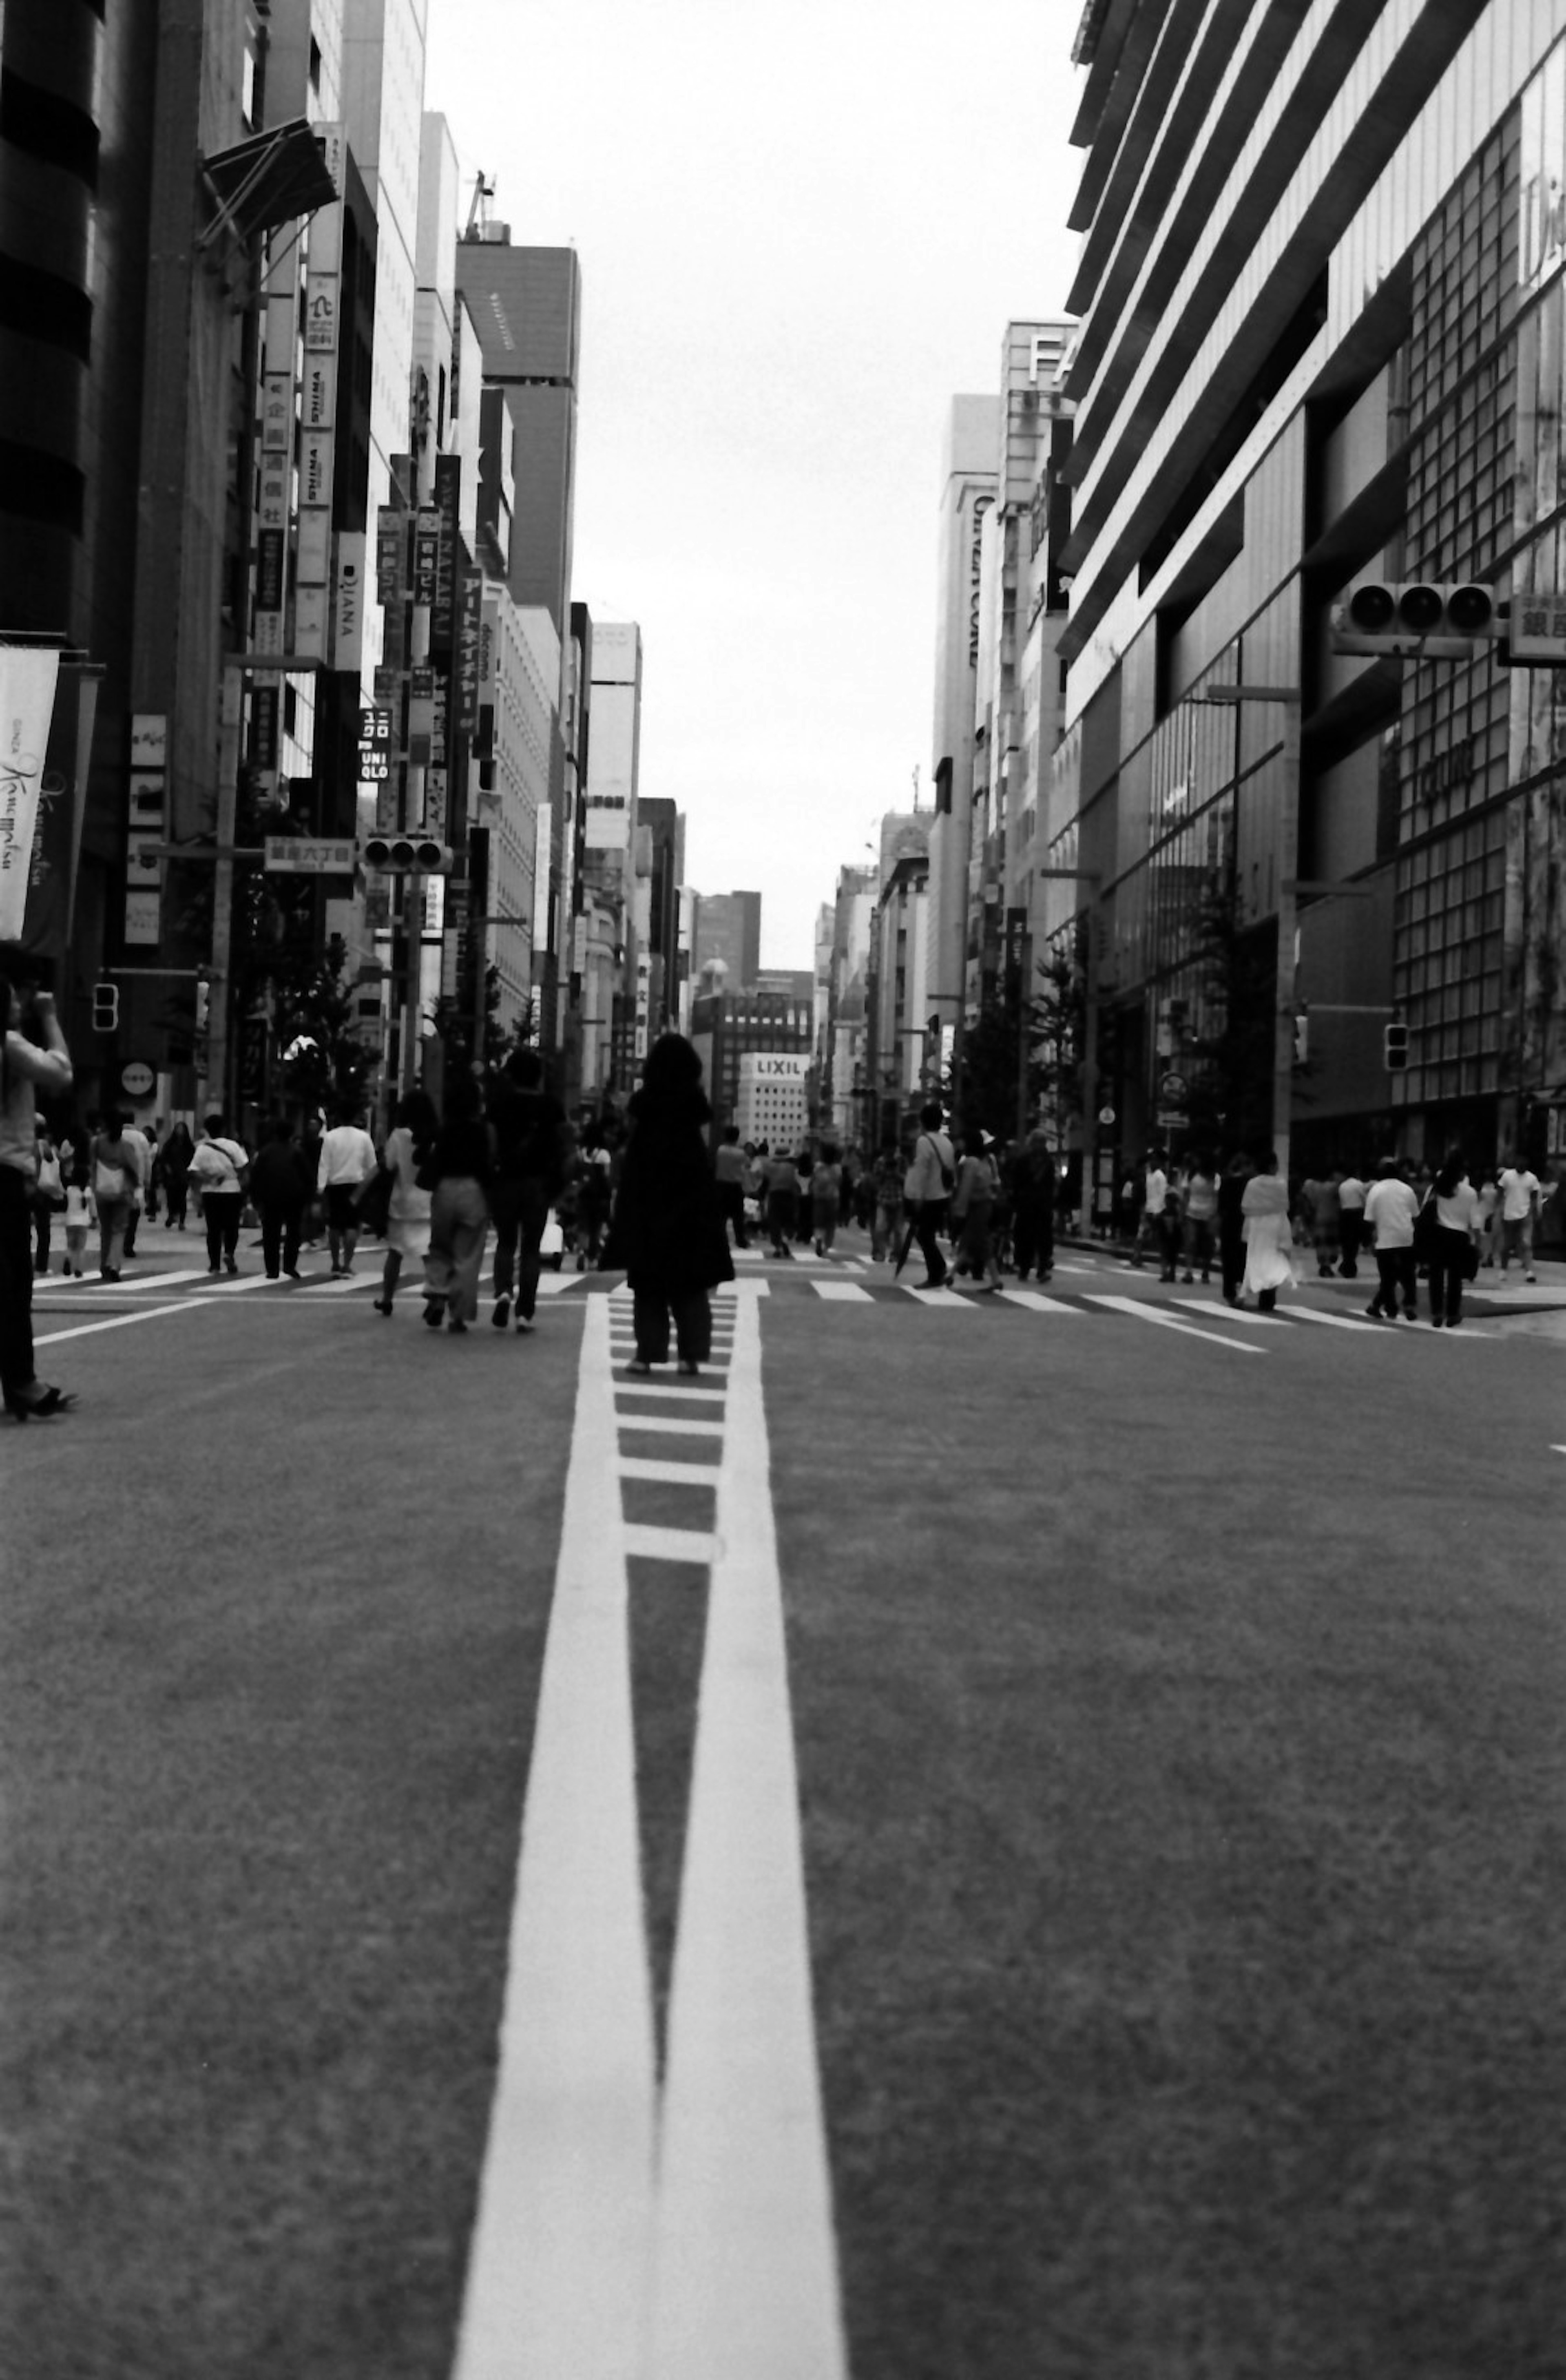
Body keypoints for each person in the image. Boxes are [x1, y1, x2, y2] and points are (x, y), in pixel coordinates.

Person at [605, 1032, 733, 1374]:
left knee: (648, 1282)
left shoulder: (645, 1110)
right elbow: (704, 1180)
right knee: (690, 1285)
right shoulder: (693, 1114)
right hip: (689, 1208)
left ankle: (647, 1353)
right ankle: (691, 1355)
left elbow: (632, 1169)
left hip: (648, 1203)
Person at [1, 971, 75, 1418]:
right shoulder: (10, 1046)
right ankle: (23, 1383)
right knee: (12, 1285)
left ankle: (19, 1382)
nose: (18, 1007)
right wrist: (49, 1018)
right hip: (3, 1177)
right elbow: (61, 1073)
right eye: (11, 1002)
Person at [487, 1049, 571, 1332]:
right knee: (531, 1250)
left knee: (506, 1242)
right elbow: (566, 1150)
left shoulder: (499, 1104)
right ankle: (524, 1314)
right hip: (538, 1183)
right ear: (539, 1076)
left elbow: (491, 1144)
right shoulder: (551, 1107)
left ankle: (502, 1292)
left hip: (506, 1181)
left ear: (511, 1074)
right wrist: (560, 1184)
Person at [422, 1078, 493, 1332]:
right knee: (467, 1256)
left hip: (444, 1190)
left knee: (440, 1248)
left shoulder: (444, 1129)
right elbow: (487, 1165)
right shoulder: (481, 1131)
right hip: (473, 1190)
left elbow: (424, 1155)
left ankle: (438, 1295)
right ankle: (458, 1316)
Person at [372, 1088, 437, 1314]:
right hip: (428, 1201)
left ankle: (387, 1299)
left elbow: (389, 1166)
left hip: (402, 1202)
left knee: (395, 1253)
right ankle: (435, 1298)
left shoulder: (399, 1136)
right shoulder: (434, 1136)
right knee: (429, 1254)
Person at [248, 1117, 312, 1281]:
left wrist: (255, 1198)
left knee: (271, 1234)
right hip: (294, 1198)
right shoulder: (297, 1151)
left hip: (270, 1197)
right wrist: (308, 1196)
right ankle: (290, 1266)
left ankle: (272, 1269)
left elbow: (256, 1177)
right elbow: (307, 1176)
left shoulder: (265, 1152)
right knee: (293, 1232)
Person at [1423, 1151, 1481, 1327]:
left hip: (1439, 1234)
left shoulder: (1438, 1187)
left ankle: (1437, 1312)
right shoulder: (1470, 1193)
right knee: (1456, 1278)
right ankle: (1453, 1313)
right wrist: (1477, 1243)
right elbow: (1475, 1221)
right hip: (1460, 1236)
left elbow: (1426, 1209)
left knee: (1436, 1276)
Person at [188, 1112, 250, 1275]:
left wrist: (210, 1178)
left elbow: (194, 1170)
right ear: (224, 1128)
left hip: (210, 1191)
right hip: (232, 1190)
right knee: (232, 1226)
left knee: (213, 1229)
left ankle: (214, 1264)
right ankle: (229, 1253)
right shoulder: (233, 1146)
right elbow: (243, 1166)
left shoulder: (202, 1148)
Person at [903, 1100, 956, 1288]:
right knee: (927, 1234)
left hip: (929, 1196)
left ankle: (937, 1271)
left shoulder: (924, 1141)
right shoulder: (947, 1142)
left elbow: (922, 1170)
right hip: (943, 1196)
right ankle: (937, 1271)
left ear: (923, 1121)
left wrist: (917, 1196)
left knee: (924, 1235)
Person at [88, 1106, 141, 1281]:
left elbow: (92, 1165)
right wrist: (136, 1188)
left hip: (102, 1191)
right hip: (122, 1192)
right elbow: (134, 1169)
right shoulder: (126, 1146)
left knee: (106, 1230)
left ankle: (104, 1264)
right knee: (119, 1230)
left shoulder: (97, 1143)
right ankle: (114, 1264)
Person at [1363, 1157, 1420, 1320]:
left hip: (1385, 1238)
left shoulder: (1376, 1190)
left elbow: (1369, 1219)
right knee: (1408, 1275)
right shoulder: (1407, 1190)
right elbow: (1415, 1214)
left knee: (1388, 1277)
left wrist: (1370, 1240)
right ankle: (1409, 1304)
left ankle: (1390, 1306)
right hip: (1406, 1236)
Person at [1239, 1152, 1294, 1311]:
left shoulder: (1252, 1184)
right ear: (1272, 1166)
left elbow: (1246, 1206)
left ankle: (1250, 1289)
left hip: (1256, 1224)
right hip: (1276, 1223)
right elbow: (1285, 1205)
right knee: (1274, 1257)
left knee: (1255, 1257)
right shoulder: (1281, 1184)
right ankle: (1269, 1295)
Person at [951, 1127, 1002, 1290]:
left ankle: (996, 1280)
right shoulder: (986, 1160)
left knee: (981, 1242)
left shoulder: (970, 1162)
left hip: (977, 1205)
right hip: (985, 1204)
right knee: (970, 1241)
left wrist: (959, 1209)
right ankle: (950, 1274)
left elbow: (965, 1188)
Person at [1011, 1128, 1056, 1283]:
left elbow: (1016, 1184)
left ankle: (1034, 1269)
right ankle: (1032, 1269)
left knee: (1034, 1238)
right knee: (1034, 1238)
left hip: (1032, 1205)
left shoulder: (1030, 1160)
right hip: (1036, 1205)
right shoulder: (1045, 1161)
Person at [1496, 1155, 1542, 1282]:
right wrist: (1499, 1209)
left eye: (1523, 1164)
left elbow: (1534, 1196)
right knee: (1507, 1245)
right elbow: (1500, 1192)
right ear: (1516, 1163)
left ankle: (1530, 1272)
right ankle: (1503, 1270)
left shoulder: (1532, 1178)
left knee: (1526, 1243)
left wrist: (1534, 1211)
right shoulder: (1507, 1176)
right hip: (1509, 1215)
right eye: (1519, 1163)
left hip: (1525, 1215)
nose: (1521, 1166)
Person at [1218, 1149, 1254, 1305]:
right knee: (1243, 1258)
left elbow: (1221, 1207)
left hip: (1229, 1224)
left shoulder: (1227, 1182)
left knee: (1229, 1259)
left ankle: (1229, 1291)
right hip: (1246, 1224)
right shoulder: (1250, 1184)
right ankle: (1241, 1286)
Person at [1179, 1153, 1218, 1284]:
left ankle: (1206, 1270)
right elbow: (1186, 1195)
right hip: (1192, 1212)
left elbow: (1217, 1197)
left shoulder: (1215, 1177)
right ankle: (1189, 1271)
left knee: (1208, 1244)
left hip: (1209, 1214)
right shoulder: (1191, 1175)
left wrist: (1215, 1215)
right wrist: (1182, 1213)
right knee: (1191, 1242)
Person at [31, 1121, 64, 1275]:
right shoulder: (43, 1145)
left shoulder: (25, 1145)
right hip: (42, 1191)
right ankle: (41, 1266)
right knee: (44, 1231)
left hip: (28, 1188)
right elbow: (51, 1160)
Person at [119, 1112, 152, 1258]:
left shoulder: (116, 1135)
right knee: (134, 1214)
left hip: (117, 1181)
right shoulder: (141, 1137)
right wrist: (147, 1179)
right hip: (136, 1181)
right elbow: (147, 1160)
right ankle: (129, 1244)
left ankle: (117, 1242)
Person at [1129, 1148, 1168, 1268]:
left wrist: (1160, 1211)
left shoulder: (1160, 1176)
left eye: (1155, 1160)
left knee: (1159, 1239)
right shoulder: (1149, 1175)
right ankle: (1137, 1257)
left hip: (1157, 1210)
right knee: (1141, 1236)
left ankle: (1164, 1263)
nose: (1152, 1162)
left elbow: (1162, 1194)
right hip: (1148, 1208)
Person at [714, 1124, 750, 1249]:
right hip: (736, 1187)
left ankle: (719, 1239)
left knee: (721, 1215)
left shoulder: (720, 1150)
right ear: (737, 1137)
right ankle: (741, 1240)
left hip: (721, 1185)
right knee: (738, 1216)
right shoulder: (741, 1153)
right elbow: (747, 1166)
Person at [1300, 1167, 1341, 1276]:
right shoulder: (1334, 1187)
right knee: (1331, 1242)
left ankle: (1324, 1266)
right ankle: (1329, 1264)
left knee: (1321, 1243)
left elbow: (1307, 1199)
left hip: (1319, 1219)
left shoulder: (1313, 1187)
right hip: (1333, 1219)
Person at [870, 1137, 905, 1262]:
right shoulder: (880, 1162)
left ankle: (896, 1255)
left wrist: (897, 1174)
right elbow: (875, 1181)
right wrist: (884, 1174)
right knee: (880, 1227)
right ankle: (880, 1253)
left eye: (893, 1148)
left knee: (899, 1230)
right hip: (883, 1198)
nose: (890, 1151)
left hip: (899, 1198)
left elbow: (907, 1180)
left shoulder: (901, 1161)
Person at [157, 1119, 195, 1230]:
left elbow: (193, 1159)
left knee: (182, 1199)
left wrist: (189, 1172)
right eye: (178, 1129)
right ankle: (171, 1215)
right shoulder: (170, 1144)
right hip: (171, 1176)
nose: (180, 1131)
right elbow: (163, 1158)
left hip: (183, 1175)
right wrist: (167, 1169)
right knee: (171, 1197)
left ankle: (182, 1221)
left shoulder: (189, 1146)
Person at [764, 1144, 801, 1257]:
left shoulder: (770, 1166)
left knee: (775, 1221)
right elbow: (796, 1183)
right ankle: (785, 1239)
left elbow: (766, 1181)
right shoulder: (792, 1167)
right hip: (789, 1195)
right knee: (789, 1220)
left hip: (774, 1195)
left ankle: (778, 1247)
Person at [60, 1153, 93, 1278]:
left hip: (70, 1221)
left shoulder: (69, 1190)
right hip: (83, 1222)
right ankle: (79, 1269)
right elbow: (92, 1207)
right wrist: (95, 1219)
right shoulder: (88, 1191)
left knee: (70, 1245)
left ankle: (68, 1259)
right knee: (81, 1247)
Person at [810, 1142, 843, 1255]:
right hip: (833, 1198)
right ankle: (827, 1245)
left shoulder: (818, 1167)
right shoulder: (837, 1169)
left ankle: (819, 1239)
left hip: (819, 1198)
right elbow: (839, 1183)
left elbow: (813, 1180)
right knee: (831, 1224)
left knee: (819, 1222)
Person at [1336, 1165, 1368, 1278]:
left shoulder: (1342, 1186)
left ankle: (1346, 1264)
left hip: (1345, 1214)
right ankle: (1350, 1265)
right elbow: (1365, 1199)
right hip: (1357, 1214)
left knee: (1346, 1242)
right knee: (1355, 1241)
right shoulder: (1359, 1185)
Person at [1475, 1167, 1500, 1268]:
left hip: (1490, 1214)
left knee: (1488, 1238)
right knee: (1486, 1238)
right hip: (1484, 1213)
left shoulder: (1496, 1189)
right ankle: (1487, 1257)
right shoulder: (1486, 1189)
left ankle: (1487, 1257)